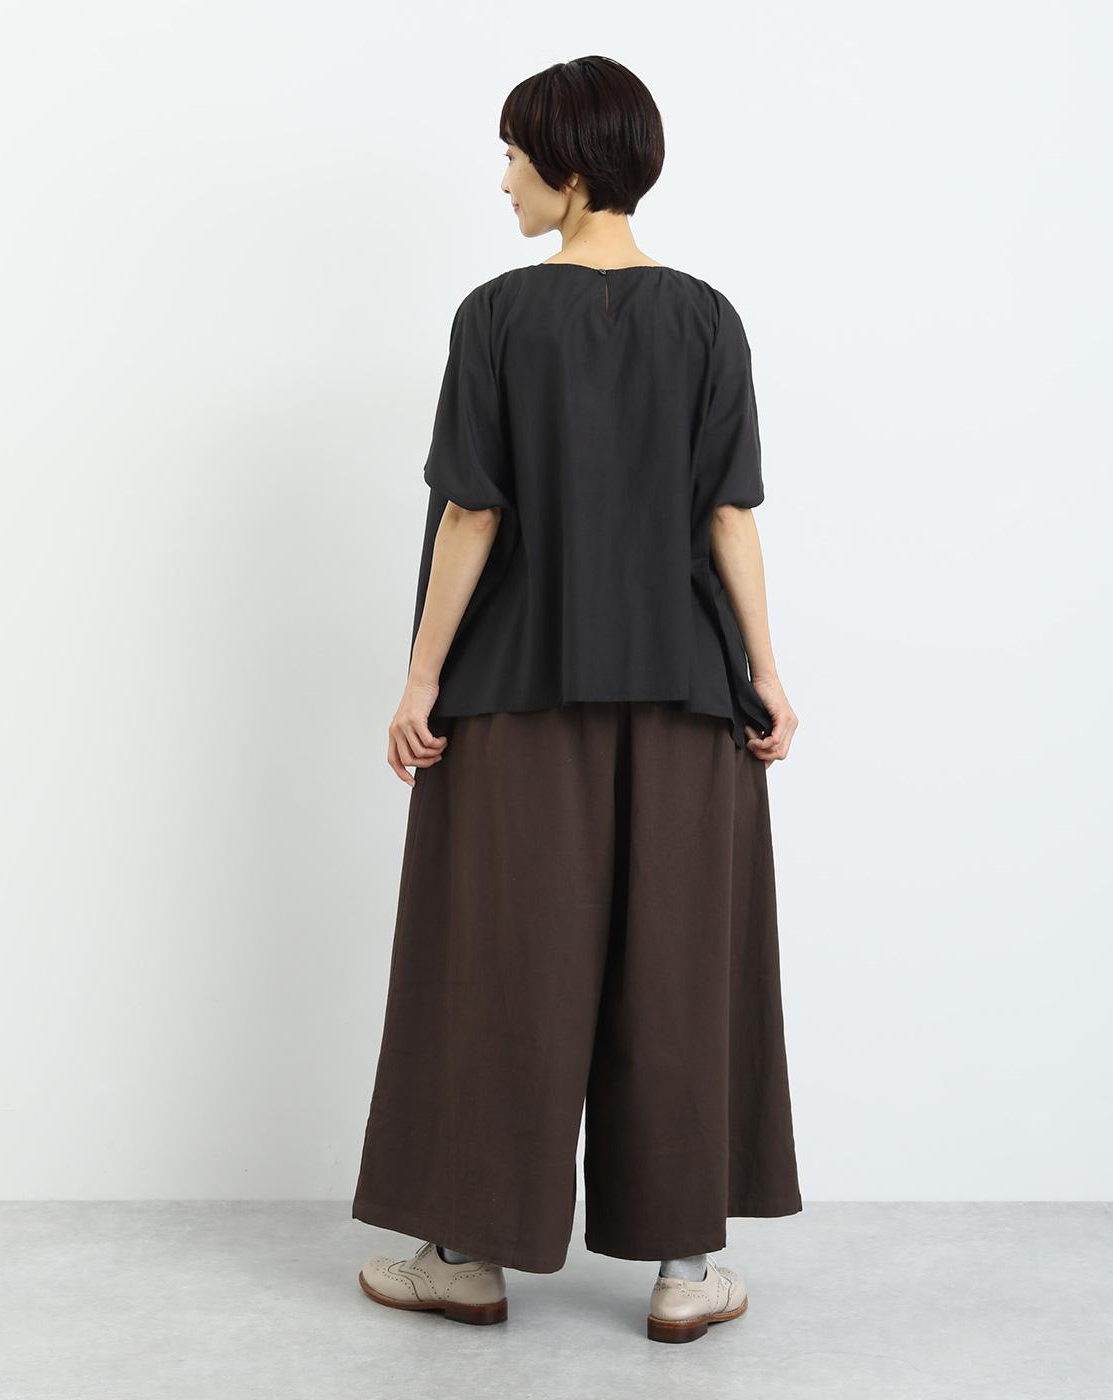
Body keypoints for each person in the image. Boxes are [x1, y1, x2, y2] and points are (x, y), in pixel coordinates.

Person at [352, 55, 802, 1345]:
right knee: (678, 970)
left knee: (503, 967)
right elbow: (729, 514)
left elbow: (472, 512)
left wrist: (422, 676)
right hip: (685, 697)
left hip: (516, 700)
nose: (503, 180)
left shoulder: (497, 315)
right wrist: (766, 674)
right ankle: (684, 1272)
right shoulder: (708, 318)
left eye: (513, 155)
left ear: (569, 164)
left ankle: (466, 1259)